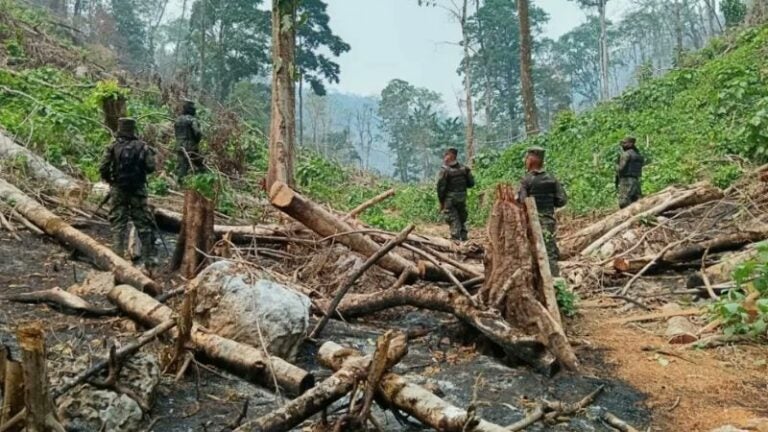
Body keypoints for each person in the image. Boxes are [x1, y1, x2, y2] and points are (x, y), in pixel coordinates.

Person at [99, 117, 158, 268]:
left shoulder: (113, 147)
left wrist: (111, 181)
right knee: (143, 225)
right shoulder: (143, 147)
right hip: (138, 191)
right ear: (133, 129)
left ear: (120, 128)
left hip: (119, 190)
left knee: (118, 224)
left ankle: (117, 261)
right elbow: (151, 167)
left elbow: (103, 168)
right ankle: (149, 261)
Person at [518, 146, 567, 276]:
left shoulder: (526, 180)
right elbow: (562, 200)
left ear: (532, 160)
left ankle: (548, 283)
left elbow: (522, 202)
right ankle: (554, 279)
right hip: (549, 221)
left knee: (534, 253)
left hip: (532, 223)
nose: (525, 161)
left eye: (527, 158)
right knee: (550, 251)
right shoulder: (552, 178)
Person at [437, 147, 475, 241]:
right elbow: (471, 184)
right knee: (462, 219)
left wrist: (441, 202)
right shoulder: (465, 169)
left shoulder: (445, 170)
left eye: (446, 155)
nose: (444, 158)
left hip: (450, 200)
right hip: (462, 198)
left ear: (450, 156)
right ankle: (464, 239)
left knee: (453, 219)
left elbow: (441, 189)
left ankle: (456, 242)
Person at [175, 99, 204, 182]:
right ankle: (203, 181)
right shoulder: (192, 120)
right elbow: (197, 132)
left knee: (182, 166)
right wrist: (197, 141)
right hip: (191, 147)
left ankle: (179, 183)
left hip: (179, 146)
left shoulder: (178, 120)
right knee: (200, 164)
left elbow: (177, 134)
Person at [616, 136, 644, 209]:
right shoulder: (638, 155)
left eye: (625, 143)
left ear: (631, 144)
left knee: (624, 202)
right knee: (637, 200)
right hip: (636, 181)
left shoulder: (626, 154)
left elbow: (621, 168)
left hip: (626, 180)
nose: (622, 145)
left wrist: (617, 170)